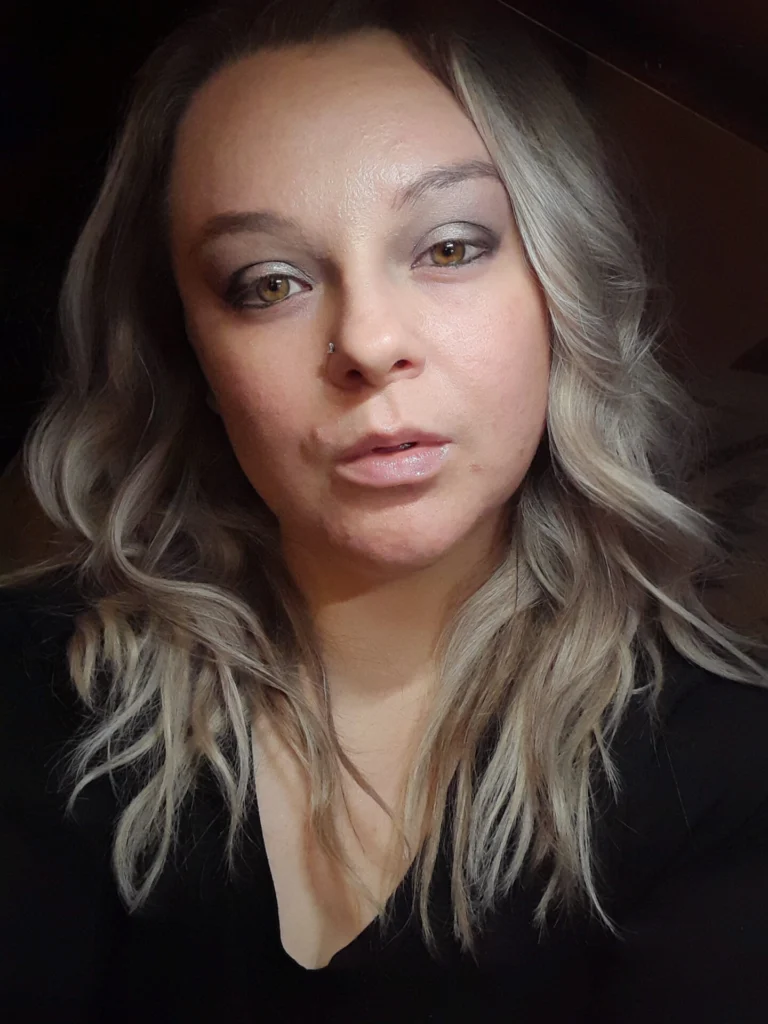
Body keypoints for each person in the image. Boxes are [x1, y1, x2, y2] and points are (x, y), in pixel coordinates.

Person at [2, 0, 768, 1020]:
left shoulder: (723, 769)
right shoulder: (33, 684)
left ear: (562, 290)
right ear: (192, 357)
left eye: (449, 247)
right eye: (267, 282)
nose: (367, 341)